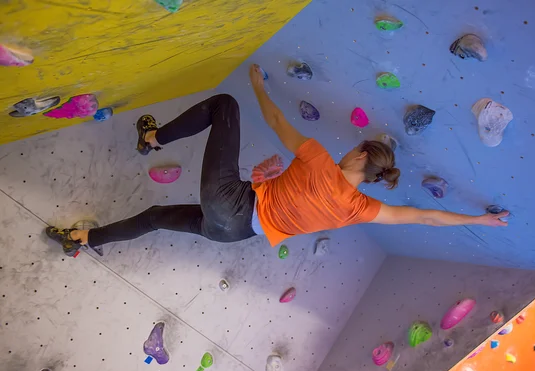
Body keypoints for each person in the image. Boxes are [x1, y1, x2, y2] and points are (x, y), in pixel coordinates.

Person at [46, 64, 508, 257]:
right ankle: (84, 238)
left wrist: (259, 84)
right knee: (154, 217)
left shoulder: (318, 159)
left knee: (225, 104)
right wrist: (480, 221)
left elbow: (272, 117)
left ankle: (152, 137)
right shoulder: (363, 209)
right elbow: (426, 217)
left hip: (233, 205)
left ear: (360, 154)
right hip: (234, 233)